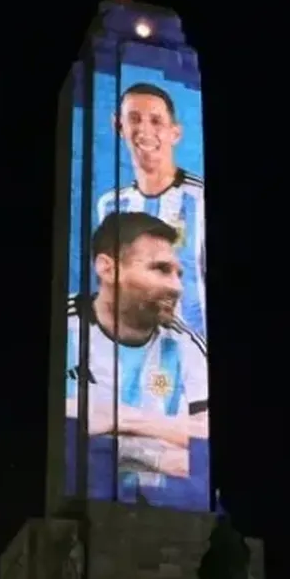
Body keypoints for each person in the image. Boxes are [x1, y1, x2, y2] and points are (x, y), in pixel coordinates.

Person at [66, 211, 208, 506]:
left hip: (161, 508)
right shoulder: (63, 328)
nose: (177, 287)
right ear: (107, 269)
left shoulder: (185, 344)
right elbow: (58, 432)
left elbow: (205, 441)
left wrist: (118, 418)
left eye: (178, 274)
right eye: (160, 269)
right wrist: (161, 443)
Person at [96, 82, 207, 337]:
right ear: (118, 125)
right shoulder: (111, 205)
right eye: (134, 119)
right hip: (133, 348)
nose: (144, 130)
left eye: (156, 121)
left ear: (175, 133)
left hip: (197, 354)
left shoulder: (200, 198)